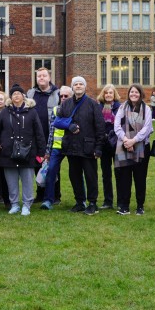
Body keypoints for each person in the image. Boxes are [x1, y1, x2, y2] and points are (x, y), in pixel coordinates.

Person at [55, 76, 105, 216]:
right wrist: (69, 125)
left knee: (90, 176)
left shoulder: (92, 104)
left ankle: (92, 203)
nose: (78, 86)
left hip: (88, 146)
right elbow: (57, 121)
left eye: (80, 84)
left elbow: (100, 127)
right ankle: (79, 202)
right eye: (75, 84)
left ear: (84, 86)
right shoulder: (66, 104)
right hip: (71, 146)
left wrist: (99, 148)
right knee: (74, 176)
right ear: (72, 87)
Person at [0, 84, 45, 216]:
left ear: (23, 96)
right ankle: (14, 204)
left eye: (19, 93)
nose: (16, 95)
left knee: (27, 180)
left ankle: (27, 204)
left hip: (27, 152)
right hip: (8, 152)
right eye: (14, 94)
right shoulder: (5, 111)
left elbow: (39, 132)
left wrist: (41, 152)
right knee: (11, 180)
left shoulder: (32, 112)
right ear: (10, 97)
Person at [112, 84, 152, 215]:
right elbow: (117, 126)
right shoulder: (122, 107)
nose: (133, 94)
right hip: (123, 146)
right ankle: (125, 206)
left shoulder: (147, 109)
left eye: (136, 92)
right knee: (125, 178)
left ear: (140, 94)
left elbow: (147, 128)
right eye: (131, 92)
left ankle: (140, 206)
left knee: (140, 177)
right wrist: (125, 140)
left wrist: (133, 141)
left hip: (141, 147)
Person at [27, 68, 61, 203]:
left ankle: (55, 195)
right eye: (39, 76)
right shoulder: (30, 93)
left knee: (53, 166)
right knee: (37, 165)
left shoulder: (57, 94)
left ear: (49, 77)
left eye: (44, 75)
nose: (41, 78)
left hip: (50, 135)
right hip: (35, 137)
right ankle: (40, 194)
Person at [40, 86, 72, 210]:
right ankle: (48, 200)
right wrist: (48, 151)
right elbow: (52, 132)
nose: (63, 98)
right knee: (51, 171)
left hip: (71, 147)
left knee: (75, 174)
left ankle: (81, 200)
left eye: (66, 96)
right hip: (57, 147)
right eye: (61, 96)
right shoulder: (55, 110)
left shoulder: (75, 109)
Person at [96, 84, 121, 210]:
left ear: (114, 94)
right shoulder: (99, 107)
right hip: (104, 144)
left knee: (119, 173)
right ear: (103, 94)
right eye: (106, 93)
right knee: (106, 174)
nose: (108, 95)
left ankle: (121, 201)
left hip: (117, 144)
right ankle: (108, 201)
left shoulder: (119, 107)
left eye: (111, 93)